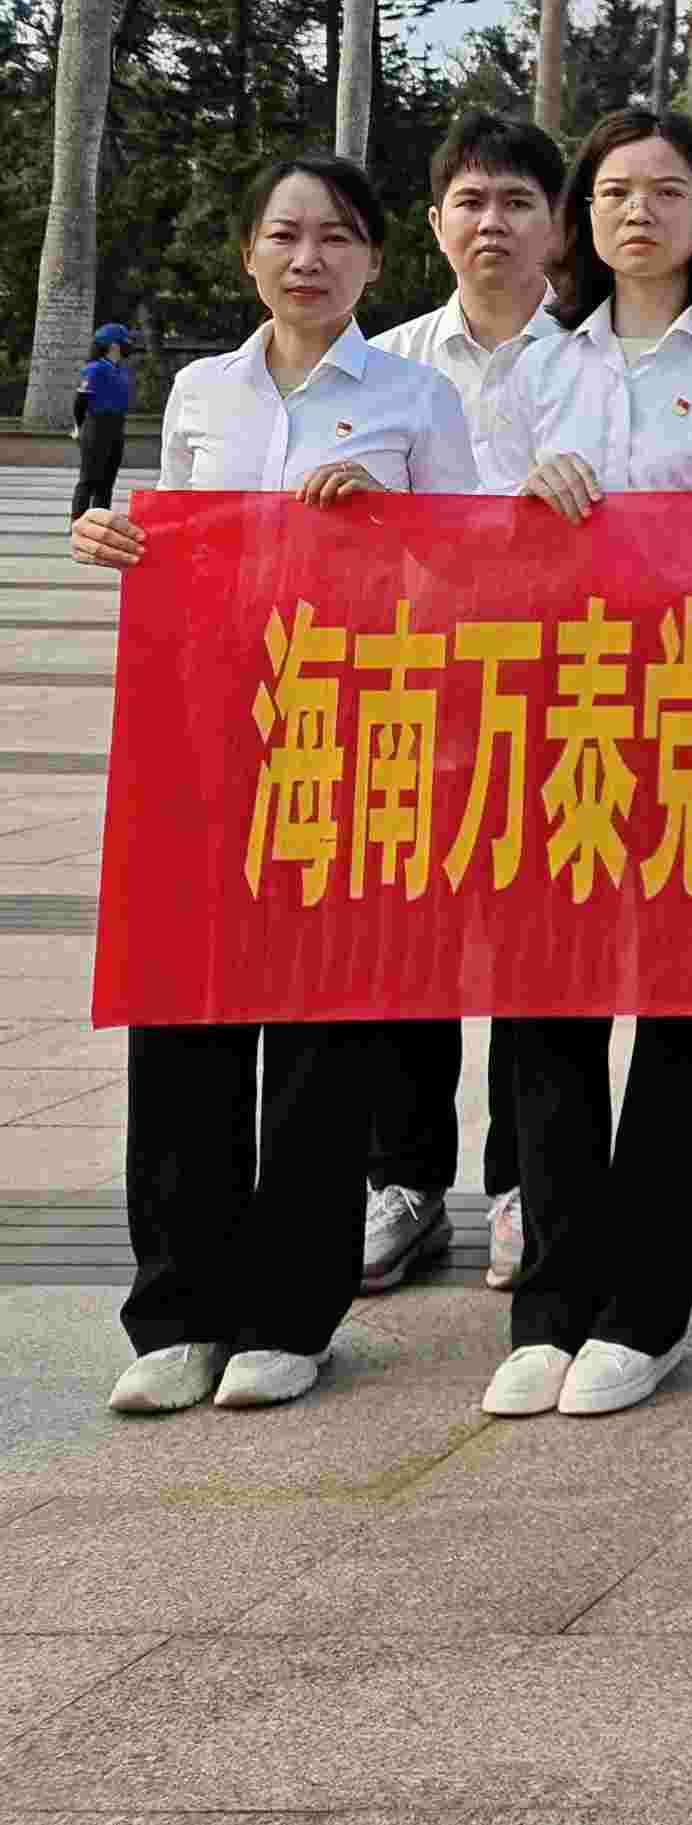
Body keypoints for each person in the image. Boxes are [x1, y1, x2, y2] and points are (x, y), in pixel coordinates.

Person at [78, 155, 474, 1415]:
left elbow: (471, 577)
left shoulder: (417, 396)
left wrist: (389, 527)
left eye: (337, 237)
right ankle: (176, 1312)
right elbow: (178, 547)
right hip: (200, 732)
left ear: (374, 260)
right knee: (182, 1012)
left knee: (323, 1024)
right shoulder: (203, 389)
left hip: (346, 736)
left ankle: (291, 1315)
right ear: (250, 252)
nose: (309, 259)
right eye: (285, 235)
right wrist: (117, 537)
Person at [477, 104, 692, 1422]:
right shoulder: (531, 369)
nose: (639, 212)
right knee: (548, 1013)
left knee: (683, 1010)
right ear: (582, 214)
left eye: (667, 190)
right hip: (554, 718)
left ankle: (647, 1308)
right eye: (615, 190)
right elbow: (468, 545)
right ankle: (550, 1302)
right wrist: (524, 508)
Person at [366, 112, 571, 1300]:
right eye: (471, 201)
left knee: (536, 944)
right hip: (416, 690)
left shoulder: (600, 362)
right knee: (411, 941)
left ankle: (523, 1183)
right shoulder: (382, 365)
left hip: (561, 692)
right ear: (436, 221)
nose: (492, 223)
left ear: (557, 223)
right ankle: (402, 1182)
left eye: (517, 201)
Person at [68, 324, 130, 521]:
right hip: (96, 426)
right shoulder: (94, 369)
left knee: (106, 483)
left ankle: (99, 524)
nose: (129, 346)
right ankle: (77, 524)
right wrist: (79, 428)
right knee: (88, 480)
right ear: (114, 346)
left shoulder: (121, 370)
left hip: (116, 427)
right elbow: (80, 402)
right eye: (125, 342)